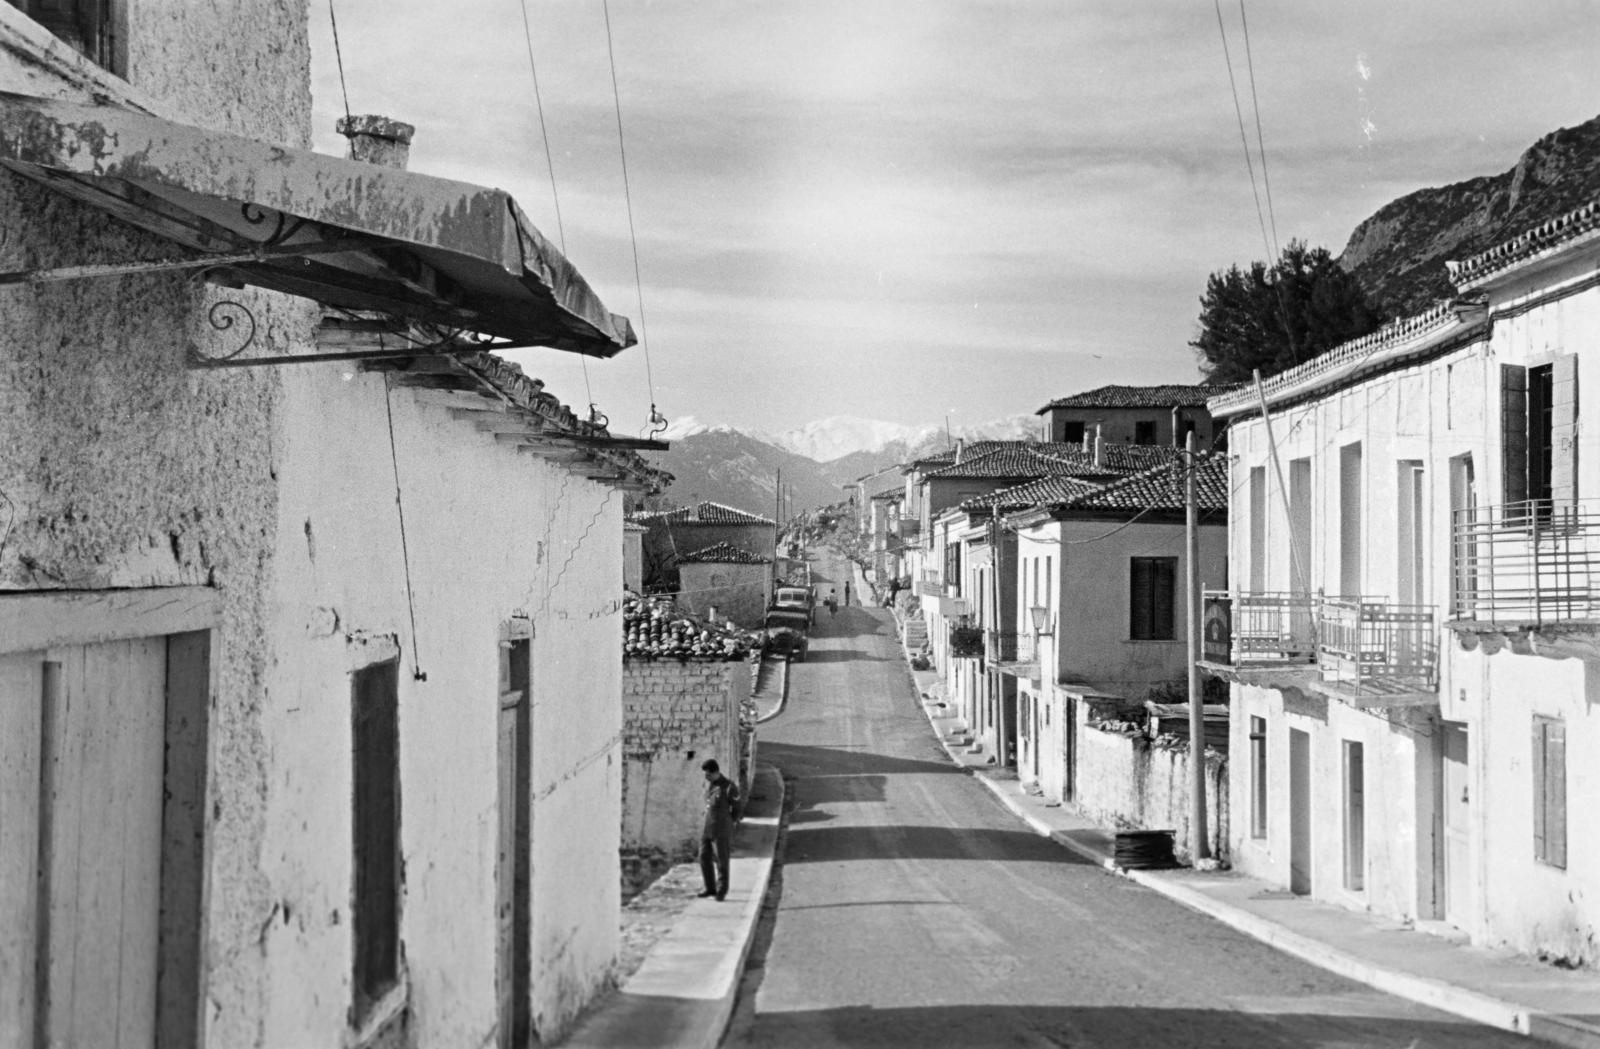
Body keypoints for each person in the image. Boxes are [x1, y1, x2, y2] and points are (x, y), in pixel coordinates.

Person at [698, 758, 741, 900]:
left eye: (708, 774)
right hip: (708, 827)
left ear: (716, 772)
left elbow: (737, 809)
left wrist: (730, 823)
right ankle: (710, 888)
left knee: (722, 860)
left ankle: (721, 890)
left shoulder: (729, 787)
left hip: (721, 828)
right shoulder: (710, 785)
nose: (706, 777)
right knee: (703, 856)